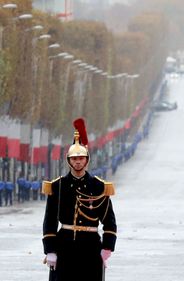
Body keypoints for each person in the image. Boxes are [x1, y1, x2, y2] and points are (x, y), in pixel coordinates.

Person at [41, 118, 117, 281]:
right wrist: (50, 250)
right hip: (64, 247)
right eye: (74, 159)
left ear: (87, 160)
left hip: (90, 248)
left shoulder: (98, 186)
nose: (77, 162)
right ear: (69, 161)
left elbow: (109, 221)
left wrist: (107, 247)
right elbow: (50, 221)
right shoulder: (58, 186)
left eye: (81, 158)